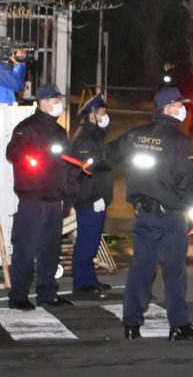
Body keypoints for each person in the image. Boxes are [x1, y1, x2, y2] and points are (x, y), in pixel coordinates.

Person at [120, 86, 193, 341]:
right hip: (170, 218)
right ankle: (179, 325)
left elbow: (109, 154)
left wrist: (88, 160)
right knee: (175, 272)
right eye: (179, 105)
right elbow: (186, 181)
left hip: (143, 216)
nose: (183, 110)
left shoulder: (135, 135)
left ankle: (131, 325)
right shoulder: (181, 142)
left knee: (141, 270)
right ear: (168, 108)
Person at [4, 84, 78, 310]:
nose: (59, 104)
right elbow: (12, 153)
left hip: (54, 198)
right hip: (33, 199)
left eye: (59, 100)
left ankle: (47, 293)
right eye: (55, 100)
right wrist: (33, 155)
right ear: (43, 102)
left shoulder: (58, 130)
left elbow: (66, 162)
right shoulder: (26, 128)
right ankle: (18, 296)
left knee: (50, 249)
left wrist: (67, 195)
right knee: (25, 249)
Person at [69, 92, 115, 298]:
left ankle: (89, 278)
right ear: (92, 115)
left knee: (92, 240)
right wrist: (96, 197)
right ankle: (83, 282)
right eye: (102, 112)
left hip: (95, 196)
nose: (106, 116)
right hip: (89, 197)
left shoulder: (94, 134)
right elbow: (88, 168)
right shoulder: (86, 138)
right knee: (87, 241)